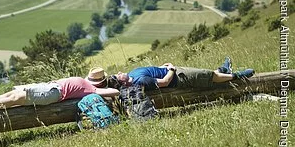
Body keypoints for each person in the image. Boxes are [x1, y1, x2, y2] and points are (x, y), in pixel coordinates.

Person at [0, 74, 119, 114]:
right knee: (12, 93)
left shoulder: (93, 89)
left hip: (53, 93)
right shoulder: (86, 81)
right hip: (48, 87)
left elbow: (115, 91)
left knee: (16, 98)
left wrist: (117, 82)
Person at [107, 57, 255, 90]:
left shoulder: (133, 73)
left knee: (204, 73)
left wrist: (161, 66)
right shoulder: (140, 82)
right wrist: (171, 69)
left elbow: (152, 71)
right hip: (178, 78)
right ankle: (238, 75)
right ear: (121, 82)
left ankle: (223, 70)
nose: (120, 72)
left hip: (175, 71)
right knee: (207, 76)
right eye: (117, 75)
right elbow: (164, 82)